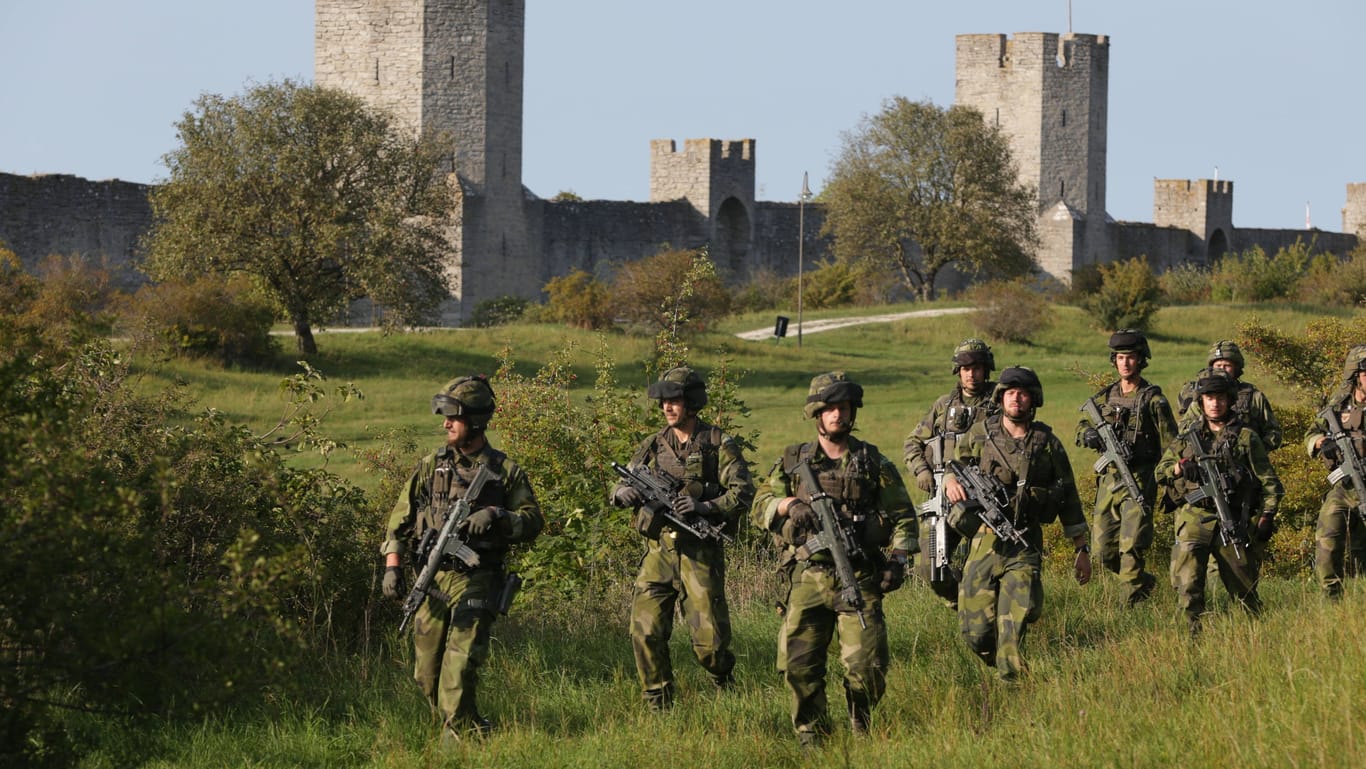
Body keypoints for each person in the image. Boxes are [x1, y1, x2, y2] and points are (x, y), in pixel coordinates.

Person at [751, 372, 915, 746]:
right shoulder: (794, 462)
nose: (838, 415)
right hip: (807, 576)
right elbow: (759, 505)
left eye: (845, 408)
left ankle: (861, 720)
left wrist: (899, 559)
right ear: (817, 414)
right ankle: (812, 735)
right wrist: (788, 504)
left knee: (867, 667)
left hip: (858, 575)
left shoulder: (872, 462)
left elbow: (905, 517)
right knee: (799, 666)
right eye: (831, 409)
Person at [380, 375, 543, 739]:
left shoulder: (504, 472)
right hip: (433, 578)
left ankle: (462, 742)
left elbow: (533, 521)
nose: (445, 424)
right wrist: (393, 567)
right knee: (427, 676)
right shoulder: (430, 466)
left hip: (478, 577)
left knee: (458, 668)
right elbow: (399, 521)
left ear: (476, 421)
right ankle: (471, 726)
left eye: (453, 417)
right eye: (445, 416)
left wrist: (498, 516)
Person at [609, 366, 755, 710]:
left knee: (711, 646)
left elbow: (744, 493)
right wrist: (620, 493)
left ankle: (723, 680)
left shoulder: (717, 442)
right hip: (658, 553)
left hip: (699, 553)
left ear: (691, 402)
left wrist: (704, 506)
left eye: (674, 400)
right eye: (664, 401)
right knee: (644, 632)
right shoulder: (653, 444)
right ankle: (657, 702)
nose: (667, 407)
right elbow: (623, 479)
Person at [943, 366, 1091, 682]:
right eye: (1011, 393)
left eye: (1023, 394)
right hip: (983, 542)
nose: (1017, 399)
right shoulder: (981, 434)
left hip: (1024, 542)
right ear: (1001, 397)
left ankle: (1014, 685)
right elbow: (952, 463)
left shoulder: (1046, 443)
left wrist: (1081, 548)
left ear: (1033, 399)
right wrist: (951, 481)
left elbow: (1069, 496)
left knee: (1015, 622)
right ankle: (1000, 664)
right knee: (977, 634)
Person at [1157, 369, 1282, 636]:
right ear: (1201, 401)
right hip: (1194, 518)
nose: (1215, 403)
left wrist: (1266, 516)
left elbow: (1269, 481)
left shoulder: (1246, 437)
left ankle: (1259, 638)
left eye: (1221, 397)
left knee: (1244, 588)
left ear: (1230, 400)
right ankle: (1192, 639)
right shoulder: (1187, 438)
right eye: (1209, 398)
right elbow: (1161, 471)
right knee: (1188, 585)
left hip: (1232, 518)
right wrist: (1180, 468)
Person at [1075, 329, 1178, 606]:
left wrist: (1170, 484)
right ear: (1114, 360)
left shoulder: (1154, 400)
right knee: (1103, 552)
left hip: (1140, 480)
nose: (1125, 363)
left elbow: (1173, 446)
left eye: (1130, 358)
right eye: (1120, 358)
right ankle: (1142, 583)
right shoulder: (1106, 397)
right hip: (1108, 482)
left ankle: (1128, 608)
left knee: (1131, 547)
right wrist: (1087, 434)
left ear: (1141, 360)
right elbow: (1083, 423)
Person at [903, 338, 999, 608]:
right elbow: (913, 442)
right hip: (943, 498)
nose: (971, 373)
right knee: (930, 567)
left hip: (984, 499)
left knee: (984, 567)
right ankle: (961, 603)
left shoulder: (1000, 403)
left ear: (986, 369)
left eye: (977, 367)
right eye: (965, 368)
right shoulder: (943, 406)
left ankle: (983, 612)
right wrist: (922, 470)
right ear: (958, 371)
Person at [1304, 345, 1366, 599]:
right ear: (1355, 376)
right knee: (1327, 541)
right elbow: (1311, 433)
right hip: (1344, 487)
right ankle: (1332, 598)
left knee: (1361, 551)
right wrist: (1321, 442)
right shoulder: (1337, 406)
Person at [1177, 340, 1282, 450]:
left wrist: (1255, 451)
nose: (1222, 369)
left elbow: (1273, 432)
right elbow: (1183, 429)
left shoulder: (1254, 397)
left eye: (1227, 366)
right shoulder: (1202, 396)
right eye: (1218, 365)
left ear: (1236, 368)